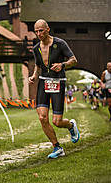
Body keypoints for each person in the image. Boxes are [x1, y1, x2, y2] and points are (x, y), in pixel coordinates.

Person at [29, 19, 80, 159]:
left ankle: (71, 125)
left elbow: (74, 60)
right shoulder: (36, 48)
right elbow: (38, 66)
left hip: (58, 82)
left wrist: (62, 65)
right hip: (43, 82)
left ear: (47, 29)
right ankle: (57, 147)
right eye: (36, 31)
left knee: (57, 122)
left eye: (41, 30)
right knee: (42, 117)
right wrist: (34, 76)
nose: (39, 33)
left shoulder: (60, 43)